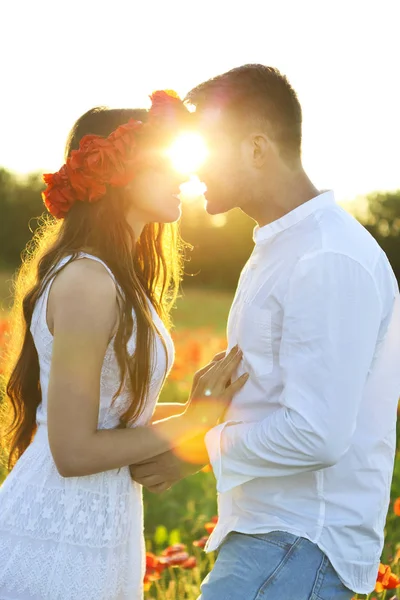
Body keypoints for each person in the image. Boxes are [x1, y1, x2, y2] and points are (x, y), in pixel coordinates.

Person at [130, 66, 400, 599]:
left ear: (256, 148)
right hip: (274, 540)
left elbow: (316, 432)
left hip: (300, 544)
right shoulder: (283, 247)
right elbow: (268, 399)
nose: (191, 171)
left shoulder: (326, 257)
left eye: (205, 150)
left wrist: (193, 450)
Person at [0, 90, 249, 600]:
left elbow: (114, 417)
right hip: (54, 538)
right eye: (167, 160)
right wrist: (192, 423)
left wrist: (214, 411)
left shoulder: (118, 277)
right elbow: (72, 450)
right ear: (121, 170)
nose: (183, 175)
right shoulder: (89, 279)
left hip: (97, 529)